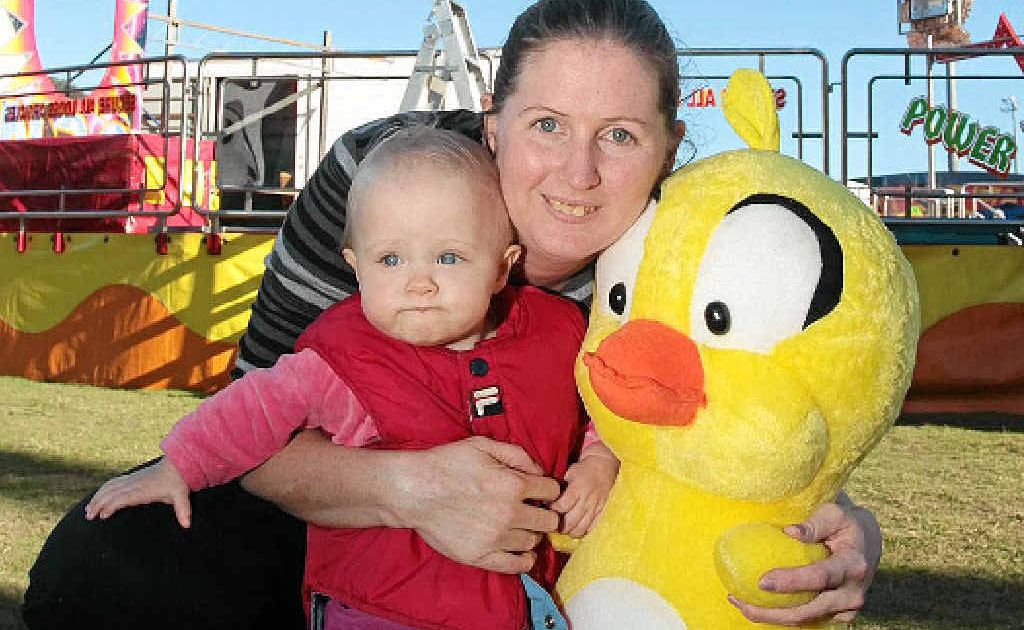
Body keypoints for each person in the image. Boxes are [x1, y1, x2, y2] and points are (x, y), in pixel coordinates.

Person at [23, 1, 882, 628]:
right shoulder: (382, 182)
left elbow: (738, 396)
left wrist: (845, 522)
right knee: (109, 568)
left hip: (546, 546)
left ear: (669, 152)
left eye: (619, 136)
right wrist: (411, 490)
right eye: (547, 124)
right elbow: (266, 421)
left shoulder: (677, 243)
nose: (578, 173)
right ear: (492, 127)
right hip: (335, 504)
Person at [82, 126, 618, 629]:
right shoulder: (339, 359)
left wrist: (598, 458)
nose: (419, 284)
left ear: (502, 268)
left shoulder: (558, 332)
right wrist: (180, 465)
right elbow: (253, 408)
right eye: (390, 259)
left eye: (449, 257)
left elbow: (603, 403)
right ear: (355, 266)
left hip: (522, 605)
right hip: (378, 611)